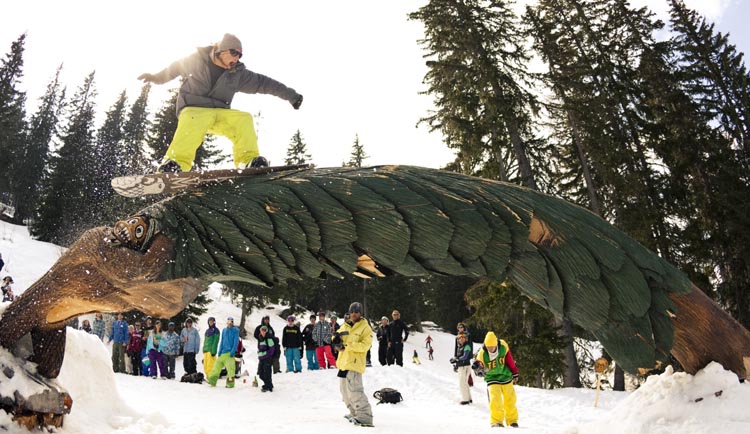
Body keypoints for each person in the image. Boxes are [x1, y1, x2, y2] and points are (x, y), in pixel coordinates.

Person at [137, 33, 303, 173]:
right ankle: (175, 164)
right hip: (194, 109)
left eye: (240, 55)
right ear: (220, 50)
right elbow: (172, 70)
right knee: (192, 120)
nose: (236, 58)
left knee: (243, 118)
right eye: (233, 52)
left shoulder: (238, 74)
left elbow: (265, 83)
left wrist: (292, 96)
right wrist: (155, 77)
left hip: (219, 113)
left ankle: (248, 161)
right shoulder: (196, 61)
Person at [334, 302, 374, 427]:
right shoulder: (345, 326)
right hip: (343, 363)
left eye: (356, 312)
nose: (353, 314)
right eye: (352, 312)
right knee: (345, 392)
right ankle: (354, 412)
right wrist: (335, 340)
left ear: (361, 313)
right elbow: (336, 336)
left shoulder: (365, 328)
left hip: (354, 364)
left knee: (355, 391)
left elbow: (365, 345)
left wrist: (348, 346)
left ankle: (365, 417)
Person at [473, 332, 520, 428]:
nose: (491, 348)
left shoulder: (503, 346)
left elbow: (509, 360)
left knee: (510, 399)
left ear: (496, 344)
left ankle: (512, 420)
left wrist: (514, 372)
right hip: (492, 378)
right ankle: (496, 421)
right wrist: (477, 367)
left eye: (492, 346)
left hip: (505, 376)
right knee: (495, 400)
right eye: (488, 347)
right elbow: (479, 363)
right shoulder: (483, 352)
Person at [208, 317, 240, 388]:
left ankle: (230, 383)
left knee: (230, 368)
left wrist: (232, 351)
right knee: (216, 366)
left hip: (229, 353)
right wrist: (219, 351)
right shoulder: (224, 330)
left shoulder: (235, 330)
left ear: (232, 322)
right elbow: (222, 341)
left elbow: (236, 341)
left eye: (231, 321)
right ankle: (212, 380)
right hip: (222, 353)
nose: (229, 323)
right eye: (228, 321)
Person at [451, 333, 474, 405]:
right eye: (460, 338)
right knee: (464, 382)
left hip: (465, 366)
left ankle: (465, 399)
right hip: (462, 366)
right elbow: (460, 357)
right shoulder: (460, 347)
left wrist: (456, 359)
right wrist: (455, 362)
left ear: (465, 339)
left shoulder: (467, 346)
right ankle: (469, 398)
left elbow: (465, 356)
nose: (461, 339)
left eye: (463, 338)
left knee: (462, 383)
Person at [257, 325, 276, 392]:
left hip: (267, 358)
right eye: (262, 330)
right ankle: (268, 384)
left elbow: (271, 350)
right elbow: (259, 348)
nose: (263, 331)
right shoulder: (260, 338)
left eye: (265, 330)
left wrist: (265, 354)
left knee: (267, 373)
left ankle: (268, 386)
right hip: (261, 358)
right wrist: (260, 355)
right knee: (260, 373)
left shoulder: (269, 339)